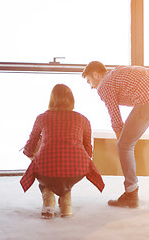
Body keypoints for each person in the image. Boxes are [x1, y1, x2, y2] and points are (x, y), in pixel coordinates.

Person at [82, 61, 149, 208]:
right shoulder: (117, 73)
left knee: (124, 145)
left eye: (89, 81)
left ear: (96, 74)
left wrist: (122, 146)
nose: (91, 86)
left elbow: (115, 118)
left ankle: (131, 193)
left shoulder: (104, 84)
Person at [20, 84, 105, 219]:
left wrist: (31, 155)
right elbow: (88, 149)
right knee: (65, 171)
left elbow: (31, 144)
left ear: (52, 100)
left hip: (47, 170)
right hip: (75, 170)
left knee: (44, 167)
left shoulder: (42, 117)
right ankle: (66, 205)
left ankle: (48, 203)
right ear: (71, 100)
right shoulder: (83, 119)